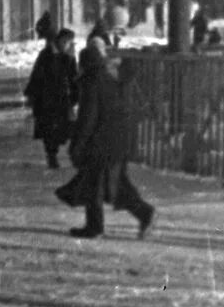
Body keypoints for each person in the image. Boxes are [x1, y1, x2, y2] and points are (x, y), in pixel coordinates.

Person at [58, 46, 155, 239]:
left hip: (101, 143)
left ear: (85, 64)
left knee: (95, 184)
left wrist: (77, 145)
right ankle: (143, 213)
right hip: (116, 142)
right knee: (114, 185)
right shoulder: (109, 79)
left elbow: (88, 119)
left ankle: (95, 227)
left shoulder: (91, 83)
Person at [24, 28, 79, 169]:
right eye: (65, 41)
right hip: (46, 100)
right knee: (49, 131)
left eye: (69, 42)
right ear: (59, 40)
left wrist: (76, 96)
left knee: (69, 128)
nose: (67, 44)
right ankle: (52, 156)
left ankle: (73, 155)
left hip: (62, 100)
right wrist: (31, 96)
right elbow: (36, 75)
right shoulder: (46, 55)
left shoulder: (69, 56)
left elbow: (74, 78)